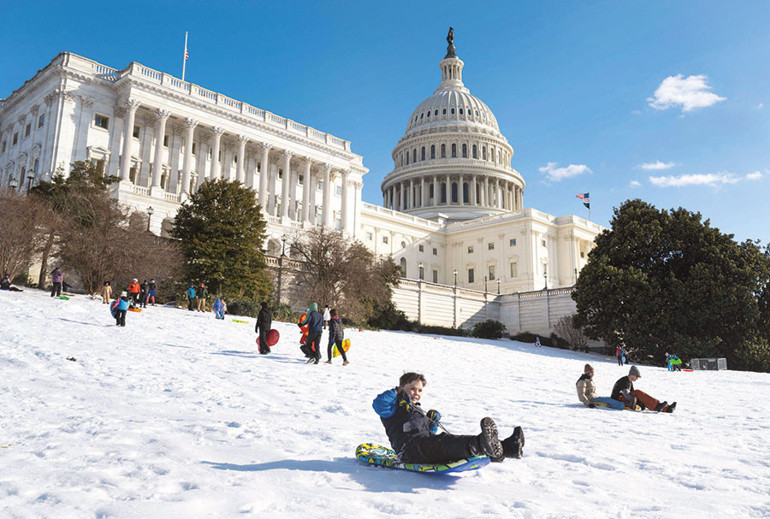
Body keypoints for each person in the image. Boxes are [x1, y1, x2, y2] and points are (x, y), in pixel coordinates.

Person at [372, 372, 524, 464]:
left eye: (419, 390)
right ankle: (480, 444)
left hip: (423, 446)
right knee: (443, 442)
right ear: (401, 387)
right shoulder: (393, 407)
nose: (416, 393)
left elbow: (428, 433)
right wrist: (397, 393)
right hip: (409, 451)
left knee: (446, 442)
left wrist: (432, 423)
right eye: (412, 389)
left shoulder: (417, 410)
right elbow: (378, 404)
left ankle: (507, 448)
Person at [611, 366, 676, 413]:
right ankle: (658, 405)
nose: (637, 379)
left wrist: (640, 402)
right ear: (632, 375)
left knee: (641, 397)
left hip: (623, 397)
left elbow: (632, 393)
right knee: (638, 392)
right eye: (637, 377)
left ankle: (667, 408)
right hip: (618, 398)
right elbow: (627, 395)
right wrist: (636, 400)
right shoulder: (624, 381)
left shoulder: (629, 381)